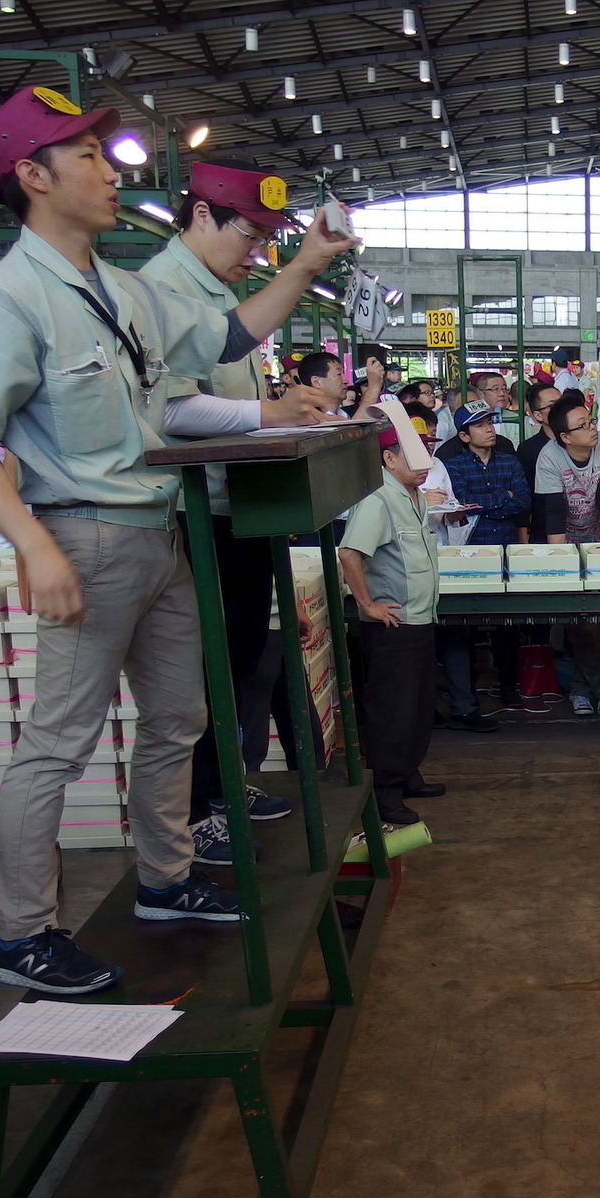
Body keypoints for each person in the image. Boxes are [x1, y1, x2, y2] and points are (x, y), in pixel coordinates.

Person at [0, 85, 351, 994]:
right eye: (84, 157)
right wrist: (34, 546)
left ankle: (165, 876)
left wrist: (307, 263)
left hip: (161, 533)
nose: (108, 170)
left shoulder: (118, 290)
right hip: (85, 540)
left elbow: (231, 330)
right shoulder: (8, 301)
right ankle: (21, 934)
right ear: (33, 177)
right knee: (58, 741)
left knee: (178, 719)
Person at [140, 159, 336, 867]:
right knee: (199, 672)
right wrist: (267, 412)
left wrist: (285, 414)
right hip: (197, 513)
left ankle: (225, 785)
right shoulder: (162, 290)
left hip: (237, 504)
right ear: (198, 216)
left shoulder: (217, 291)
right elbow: (173, 406)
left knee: (242, 656)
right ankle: (193, 816)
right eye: (248, 233)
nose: (256, 250)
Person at [338, 422, 443, 828]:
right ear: (389, 458)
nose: (426, 465)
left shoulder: (412, 495)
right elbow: (349, 553)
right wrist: (368, 604)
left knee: (417, 708)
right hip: (394, 626)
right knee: (392, 712)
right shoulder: (378, 498)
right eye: (415, 457)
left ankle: (408, 774)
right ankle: (385, 792)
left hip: (420, 619)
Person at [438, 401, 528, 729]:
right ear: (463, 435)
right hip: (468, 552)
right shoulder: (454, 466)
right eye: (480, 425)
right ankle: (465, 700)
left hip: (505, 551)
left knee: (509, 624)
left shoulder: (510, 461)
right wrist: (500, 498)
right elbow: (460, 506)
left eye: (490, 422)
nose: (489, 428)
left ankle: (509, 687)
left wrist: (483, 505)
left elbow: (523, 501)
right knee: (462, 628)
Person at [535, 389, 600, 715]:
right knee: (579, 616)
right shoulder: (549, 457)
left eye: (591, 421)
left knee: (596, 618)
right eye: (583, 425)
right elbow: (554, 511)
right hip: (566, 539)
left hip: (599, 535)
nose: (592, 429)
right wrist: (561, 564)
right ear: (564, 437)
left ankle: (581, 690)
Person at [513, 381, 559, 543]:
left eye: (563, 403)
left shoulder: (580, 442)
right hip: (544, 532)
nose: (562, 409)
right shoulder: (528, 450)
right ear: (537, 415)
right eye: (553, 405)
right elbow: (524, 497)